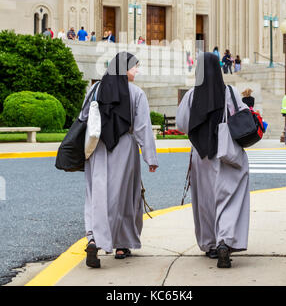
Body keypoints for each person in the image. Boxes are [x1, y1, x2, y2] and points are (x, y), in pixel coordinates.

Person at [82, 52, 158, 268]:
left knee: (97, 194)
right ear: (123, 69)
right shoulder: (136, 94)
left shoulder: (95, 90)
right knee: (123, 197)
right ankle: (122, 244)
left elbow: (84, 118)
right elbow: (143, 128)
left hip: (97, 148)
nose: (137, 71)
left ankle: (93, 238)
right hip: (124, 149)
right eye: (134, 67)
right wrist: (150, 157)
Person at [176, 52, 250, 268]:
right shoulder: (230, 91)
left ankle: (209, 244)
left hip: (202, 155)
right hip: (227, 153)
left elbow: (181, 125)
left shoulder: (191, 95)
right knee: (229, 197)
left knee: (206, 200)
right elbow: (242, 117)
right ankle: (225, 240)